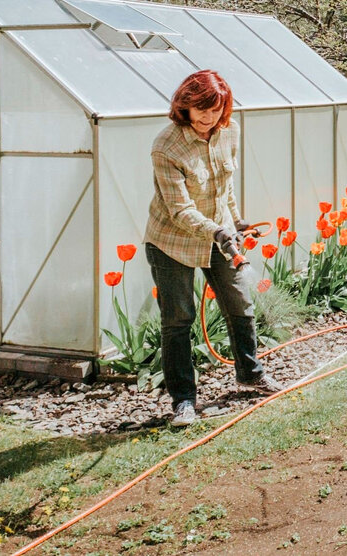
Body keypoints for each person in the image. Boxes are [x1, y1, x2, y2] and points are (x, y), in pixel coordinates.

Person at [144, 69, 281, 427]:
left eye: (215, 109)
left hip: (221, 235)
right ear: (184, 106)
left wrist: (235, 223)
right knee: (178, 320)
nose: (208, 117)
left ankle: (249, 374)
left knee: (240, 304)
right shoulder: (166, 145)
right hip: (172, 241)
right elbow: (179, 209)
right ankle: (184, 401)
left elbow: (225, 186)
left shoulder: (229, 131)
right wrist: (218, 231)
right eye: (200, 109)